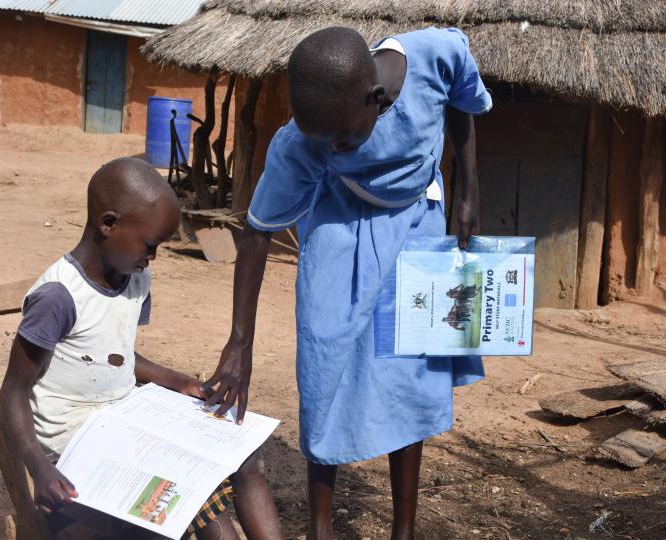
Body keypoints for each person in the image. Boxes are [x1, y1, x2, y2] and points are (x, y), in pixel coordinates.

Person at [201, 26, 491, 539]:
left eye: (341, 138)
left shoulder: (437, 54)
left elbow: (461, 103)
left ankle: (404, 527)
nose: (332, 146)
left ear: (375, 99)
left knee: (413, 372)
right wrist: (238, 341)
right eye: (323, 139)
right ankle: (320, 528)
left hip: (418, 226)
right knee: (324, 364)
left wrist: (468, 188)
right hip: (338, 231)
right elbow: (259, 229)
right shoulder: (300, 141)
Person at [0, 158, 283, 540]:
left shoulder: (135, 277)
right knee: (188, 486)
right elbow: (12, 393)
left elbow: (115, 357)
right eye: (150, 245)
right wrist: (38, 467)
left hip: (120, 423)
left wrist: (177, 381)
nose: (154, 257)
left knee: (241, 455)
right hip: (71, 445)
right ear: (108, 224)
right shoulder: (59, 298)